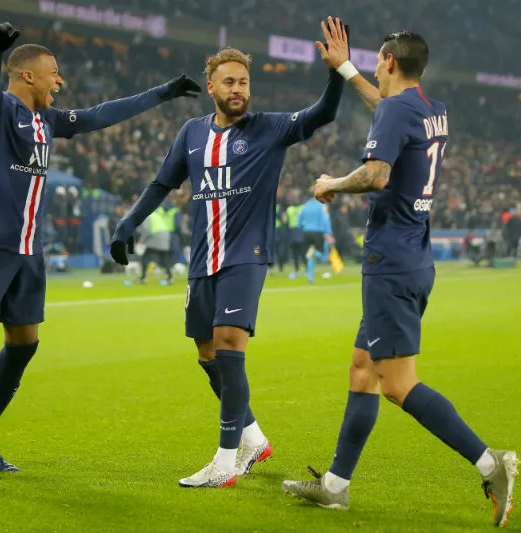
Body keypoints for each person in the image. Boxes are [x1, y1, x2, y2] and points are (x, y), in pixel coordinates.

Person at [0, 22, 202, 486]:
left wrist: (164, 92)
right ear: (28, 76)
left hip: (27, 250)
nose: (60, 82)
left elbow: (101, 114)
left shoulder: (49, 122)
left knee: (25, 343)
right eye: (54, 73)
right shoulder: (2, 111)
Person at [281, 30, 519, 527]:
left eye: (374, 62)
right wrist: (345, 69)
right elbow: (386, 108)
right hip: (414, 256)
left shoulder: (395, 112)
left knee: (396, 384)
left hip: (389, 263)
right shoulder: (430, 107)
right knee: (362, 370)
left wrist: (330, 184)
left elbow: (377, 175)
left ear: (388, 61)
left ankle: (491, 464)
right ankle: (335, 487)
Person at [110, 17, 348, 488]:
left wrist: (336, 72)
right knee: (206, 352)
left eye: (244, 82)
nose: (238, 89)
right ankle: (254, 437)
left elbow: (321, 114)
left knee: (229, 343)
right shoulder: (192, 133)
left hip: (246, 254)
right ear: (212, 86)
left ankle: (224, 461)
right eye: (230, 82)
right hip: (203, 259)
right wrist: (128, 221)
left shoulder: (270, 129)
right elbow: (162, 183)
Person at [298, 194, 334, 283]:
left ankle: (310, 277)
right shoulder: (322, 205)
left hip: (306, 232)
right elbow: (325, 219)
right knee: (321, 254)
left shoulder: (305, 205)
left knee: (311, 256)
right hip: (317, 232)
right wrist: (328, 233)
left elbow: (299, 218)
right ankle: (322, 257)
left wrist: (302, 227)